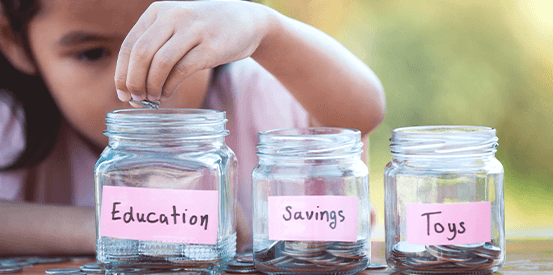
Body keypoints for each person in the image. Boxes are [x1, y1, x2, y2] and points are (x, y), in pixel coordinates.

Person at [0, 0, 385, 255]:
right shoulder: (14, 121)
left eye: (174, 46)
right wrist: (115, 228)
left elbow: (360, 115)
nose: (138, 81)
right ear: (13, 40)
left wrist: (266, 29)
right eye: (92, 53)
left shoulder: (257, 91)